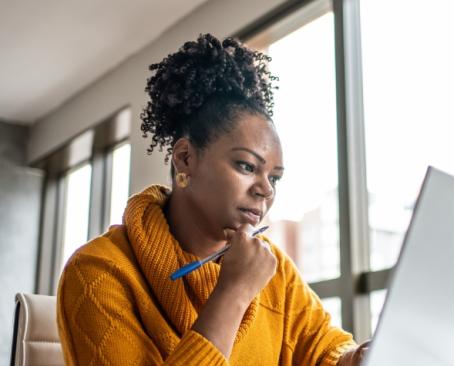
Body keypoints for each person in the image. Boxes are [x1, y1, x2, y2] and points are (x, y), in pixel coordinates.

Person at [56, 34, 369, 365]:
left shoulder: (274, 270)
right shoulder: (98, 272)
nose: (266, 189)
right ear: (186, 158)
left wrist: (359, 357)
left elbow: (325, 350)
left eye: (274, 177)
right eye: (247, 166)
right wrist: (233, 293)